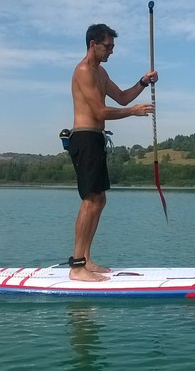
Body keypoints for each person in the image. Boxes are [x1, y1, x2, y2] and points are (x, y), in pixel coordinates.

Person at [68, 23, 158, 282]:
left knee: (99, 200)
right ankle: (77, 266)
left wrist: (143, 82)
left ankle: (86, 260)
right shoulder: (83, 71)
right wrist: (133, 112)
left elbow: (122, 97)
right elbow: (99, 111)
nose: (111, 51)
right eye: (107, 46)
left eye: (112, 47)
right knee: (90, 200)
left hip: (96, 139)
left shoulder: (101, 72)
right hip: (84, 138)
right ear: (93, 44)